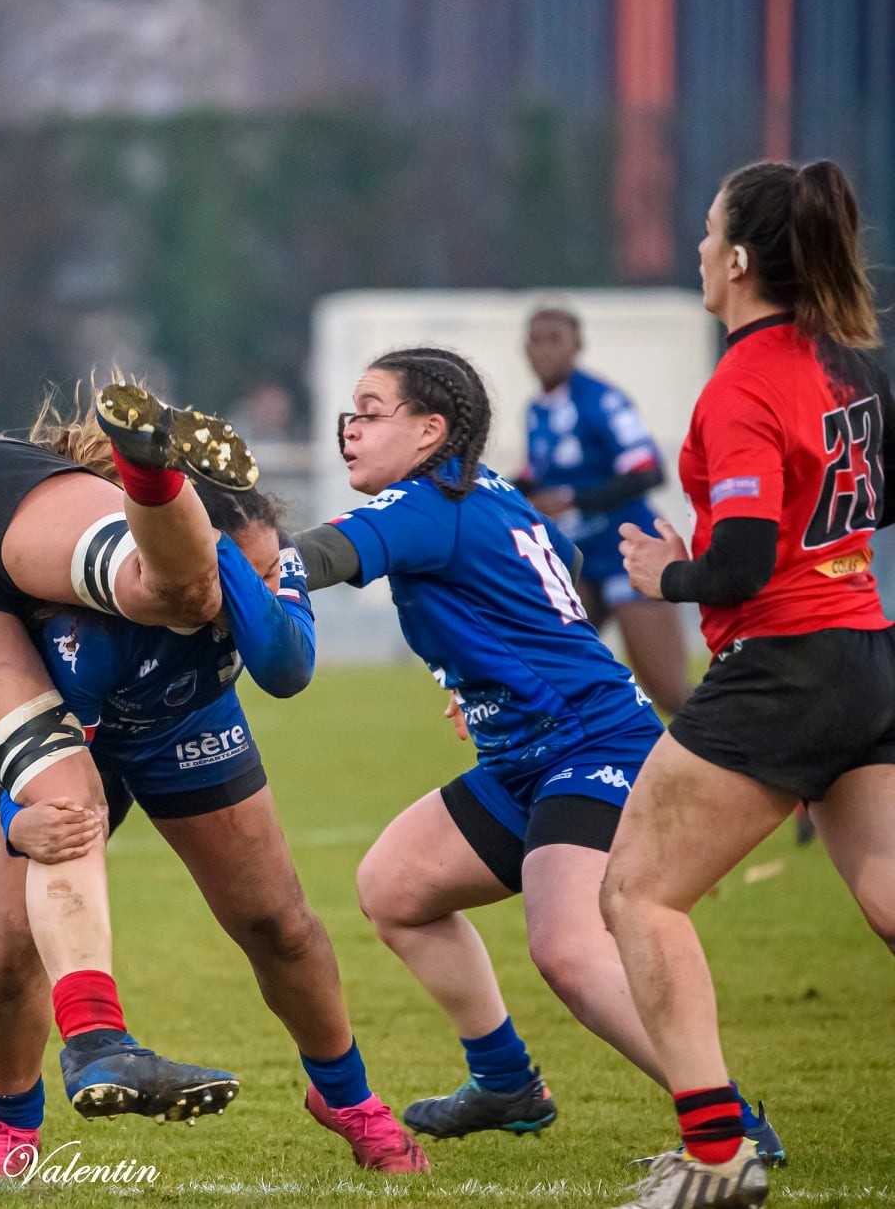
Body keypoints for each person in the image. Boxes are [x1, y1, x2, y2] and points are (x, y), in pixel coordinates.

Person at [289, 347, 780, 1162]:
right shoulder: (485, 494)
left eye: (370, 412)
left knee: (570, 951)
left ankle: (730, 1125)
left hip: (594, 747)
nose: (350, 430)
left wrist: (220, 561)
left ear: (428, 431)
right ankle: (506, 1080)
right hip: (530, 754)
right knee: (393, 888)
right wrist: (486, 672)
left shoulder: (423, 503)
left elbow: (321, 559)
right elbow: (565, 559)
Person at [0, 419, 427, 1180]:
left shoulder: (269, 564)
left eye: (274, 569)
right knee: (7, 954)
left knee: (280, 924)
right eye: (250, 572)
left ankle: (350, 1100)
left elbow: (284, 665)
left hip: (188, 723)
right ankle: (10, 1129)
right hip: (60, 727)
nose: (272, 587)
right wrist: (21, 822)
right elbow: (37, 768)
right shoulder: (91, 628)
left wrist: (239, 568)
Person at [602, 159, 893, 1209]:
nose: (694, 247)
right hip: (865, 655)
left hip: (782, 667)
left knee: (636, 893)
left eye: (706, 230)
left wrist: (664, 572)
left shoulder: (745, 383)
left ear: (735, 260)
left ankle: (718, 1157)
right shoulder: (851, 361)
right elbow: (868, 502)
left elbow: (739, 570)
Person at [0, 381, 260, 1121]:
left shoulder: (77, 639)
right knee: (53, 812)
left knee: (170, 601)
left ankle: (149, 466)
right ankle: (87, 1053)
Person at [520, 305, 692, 714]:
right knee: (552, 683)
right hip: (581, 558)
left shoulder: (602, 400)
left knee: (668, 691)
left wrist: (573, 500)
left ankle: (742, 759)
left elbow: (647, 472)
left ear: (576, 346)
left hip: (627, 553)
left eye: (553, 340)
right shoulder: (537, 410)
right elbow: (532, 477)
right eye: (534, 340)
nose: (542, 351)